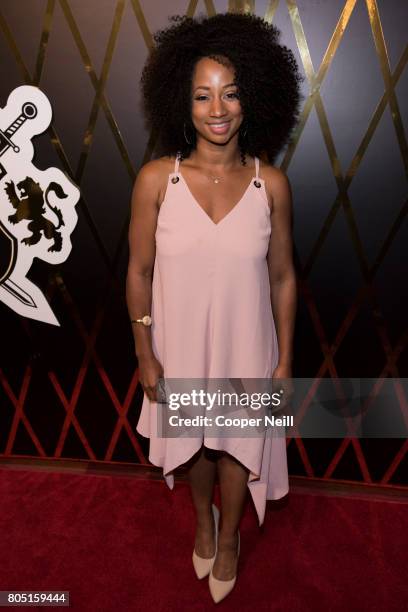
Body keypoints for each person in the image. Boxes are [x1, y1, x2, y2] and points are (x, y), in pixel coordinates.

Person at [126, 12, 302, 603]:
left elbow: (282, 278)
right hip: (180, 345)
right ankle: (203, 522)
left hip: (248, 346)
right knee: (197, 440)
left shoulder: (269, 184)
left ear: (251, 100)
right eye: (203, 96)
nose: (217, 109)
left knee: (235, 442)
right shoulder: (157, 179)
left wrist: (284, 363)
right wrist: (144, 350)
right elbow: (139, 270)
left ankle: (228, 539)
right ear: (184, 101)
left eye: (230, 93)